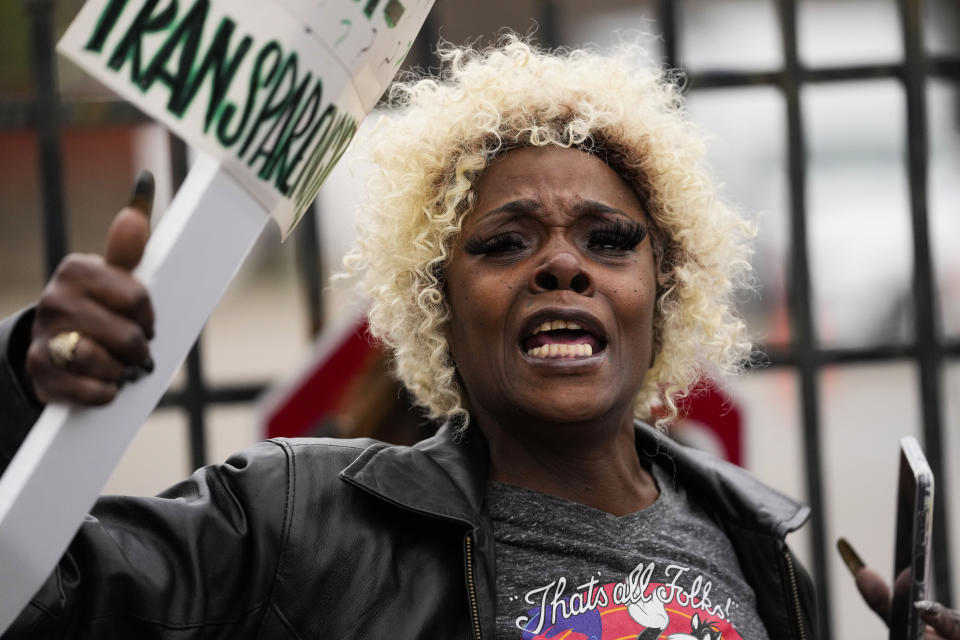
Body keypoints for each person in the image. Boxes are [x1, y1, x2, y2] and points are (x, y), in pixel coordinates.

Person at [0, 36, 956, 639]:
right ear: (439, 307)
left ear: (661, 295)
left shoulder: (755, 551)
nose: (562, 266)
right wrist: (24, 386)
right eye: (505, 243)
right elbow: (40, 592)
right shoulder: (298, 523)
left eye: (608, 240)